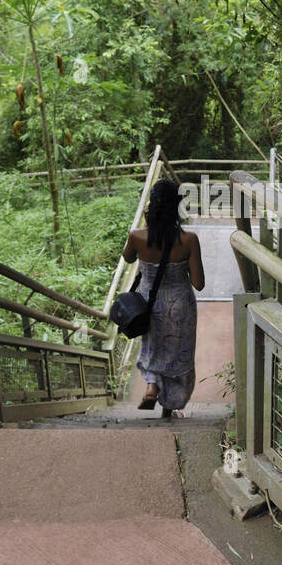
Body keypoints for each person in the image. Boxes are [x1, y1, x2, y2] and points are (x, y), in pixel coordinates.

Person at [122, 178, 205, 417]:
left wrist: (148, 224)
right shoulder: (188, 240)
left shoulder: (136, 236)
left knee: (153, 347)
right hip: (180, 305)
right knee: (177, 353)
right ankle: (168, 407)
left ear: (152, 206)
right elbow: (199, 284)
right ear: (177, 206)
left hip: (149, 303)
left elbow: (128, 258)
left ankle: (152, 386)